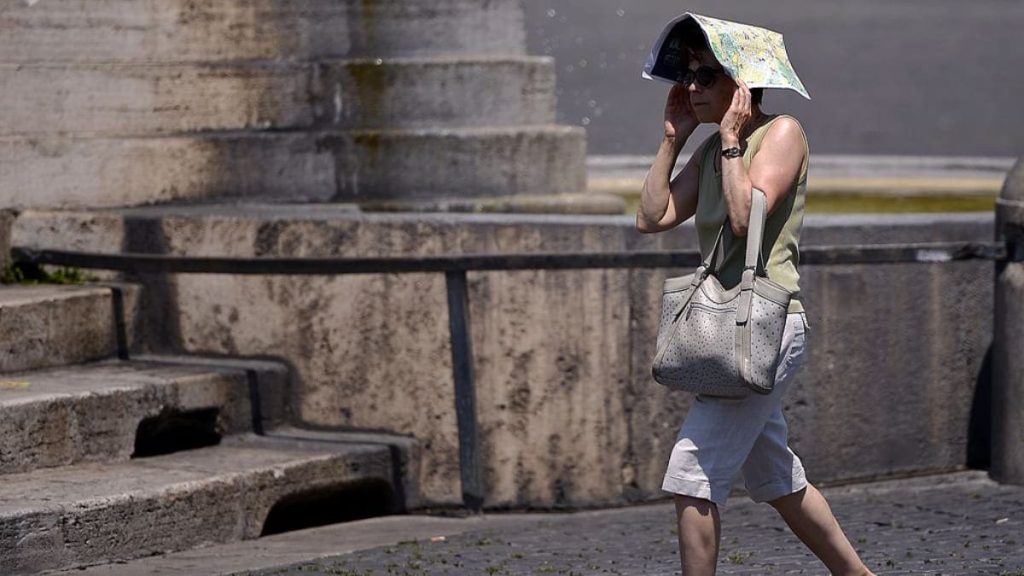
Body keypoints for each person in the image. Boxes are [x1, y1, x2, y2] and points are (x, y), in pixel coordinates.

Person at [635, 23, 877, 576]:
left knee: (692, 473)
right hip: (728, 326)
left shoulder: (781, 133)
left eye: (706, 75)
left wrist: (730, 141)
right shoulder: (709, 150)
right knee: (777, 479)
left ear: (741, 86)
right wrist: (673, 139)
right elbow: (651, 217)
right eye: (687, 75)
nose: (691, 87)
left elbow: (746, 220)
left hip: (764, 323)